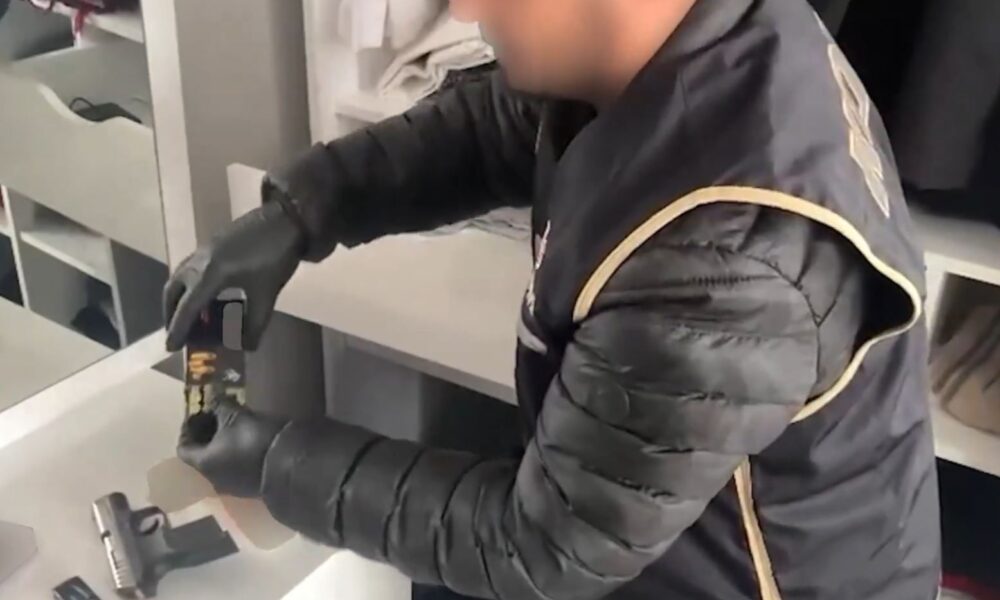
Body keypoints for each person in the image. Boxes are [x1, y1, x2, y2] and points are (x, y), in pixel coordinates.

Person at [163, 1, 941, 598]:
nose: (463, 11)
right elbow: (501, 124)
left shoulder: (728, 263)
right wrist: (302, 211)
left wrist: (276, 463)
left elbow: (538, 548)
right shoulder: (699, 39)